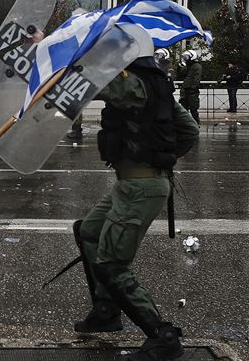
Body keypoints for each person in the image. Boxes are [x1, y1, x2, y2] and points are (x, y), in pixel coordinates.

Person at [75, 49, 199, 360]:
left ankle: (162, 335)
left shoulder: (133, 83)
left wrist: (56, 56)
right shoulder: (156, 84)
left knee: (111, 263)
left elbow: (89, 83)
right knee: (89, 231)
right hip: (134, 183)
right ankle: (106, 310)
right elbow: (189, 131)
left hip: (140, 187)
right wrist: (160, 158)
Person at [177, 50, 201, 124]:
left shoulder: (197, 66)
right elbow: (181, 75)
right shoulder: (188, 66)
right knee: (184, 109)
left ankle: (196, 123)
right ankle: (185, 124)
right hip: (185, 90)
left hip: (192, 91)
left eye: (186, 57)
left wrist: (193, 88)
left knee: (193, 108)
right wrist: (181, 67)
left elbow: (197, 78)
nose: (185, 58)